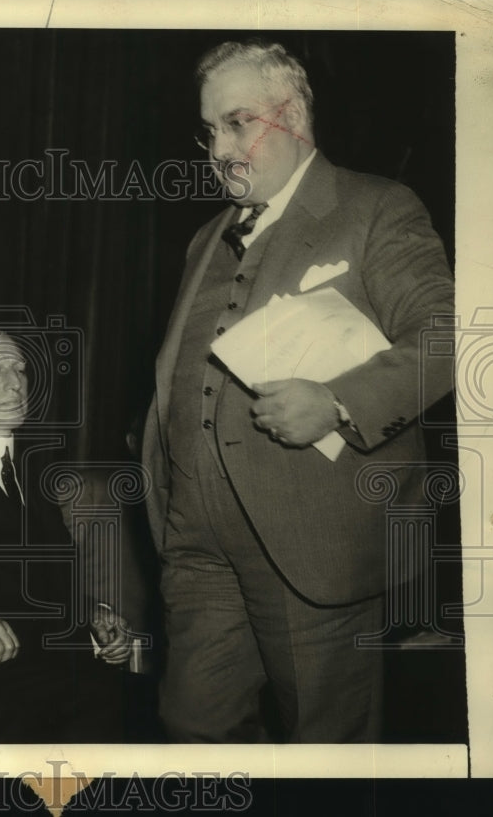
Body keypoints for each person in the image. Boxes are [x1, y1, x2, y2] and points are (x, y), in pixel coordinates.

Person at [142, 41, 455, 742]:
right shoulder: (203, 239)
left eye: (237, 122)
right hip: (197, 550)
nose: (219, 149)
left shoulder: (375, 207)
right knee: (192, 735)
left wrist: (340, 402)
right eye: (209, 130)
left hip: (313, 549)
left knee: (325, 755)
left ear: (295, 115)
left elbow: (448, 337)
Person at [0, 328, 138, 742]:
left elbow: (54, 575)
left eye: (20, 369)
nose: (16, 383)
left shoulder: (36, 468)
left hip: (67, 671)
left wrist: (96, 616)